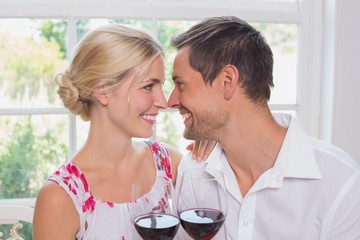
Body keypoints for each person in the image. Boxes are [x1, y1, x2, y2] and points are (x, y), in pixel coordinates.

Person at [168, 16, 360, 240]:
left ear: (227, 81)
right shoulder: (195, 171)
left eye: (181, 84)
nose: (171, 100)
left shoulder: (339, 182)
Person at [33, 24, 213, 240]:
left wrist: (217, 148)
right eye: (148, 86)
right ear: (103, 91)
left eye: (161, 86)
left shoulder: (168, 164)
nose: (163, 102)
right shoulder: (60, 197)